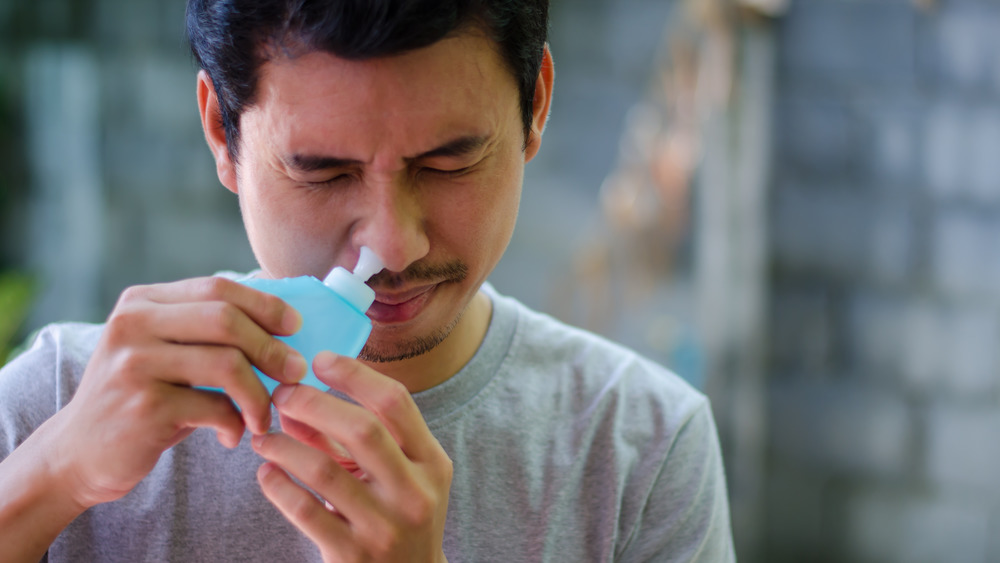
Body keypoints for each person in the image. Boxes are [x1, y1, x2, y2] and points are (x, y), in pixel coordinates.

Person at [0, 0, 735, 561]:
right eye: (323, 171)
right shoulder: (58, 399)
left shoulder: (641, 448)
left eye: (447, 163)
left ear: (535, 105)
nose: (390, 242)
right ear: (222, 134)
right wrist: (52, 477)